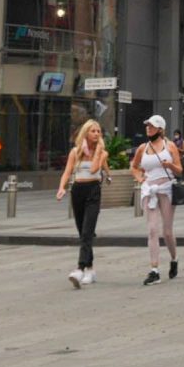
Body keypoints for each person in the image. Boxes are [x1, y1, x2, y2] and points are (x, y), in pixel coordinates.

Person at [57, 118, 108, 286]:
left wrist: (99, 150)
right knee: (83, 233)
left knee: (87, 232)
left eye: (98, 131)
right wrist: (61, 187)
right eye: (93, 131)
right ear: (86, 133)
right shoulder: (75, 152)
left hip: (93, 190)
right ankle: (90, 269)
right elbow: (67, 172)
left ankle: (79, 269)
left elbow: (94, 169)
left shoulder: (101, 152)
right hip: (78, 190)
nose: (96, 134)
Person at [134, 115, 182, 285]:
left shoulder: (170, 147)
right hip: (150, 191)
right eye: (147, 126)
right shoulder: (142, 148)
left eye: (152, 126)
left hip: (166, 190)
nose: (148, 129)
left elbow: (179, 170)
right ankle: (154, 269)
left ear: (160, 129)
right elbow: (134, 166)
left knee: (167, 232)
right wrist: (140, 179)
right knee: (152, 230)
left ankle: (174, 258)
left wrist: (169, 165)